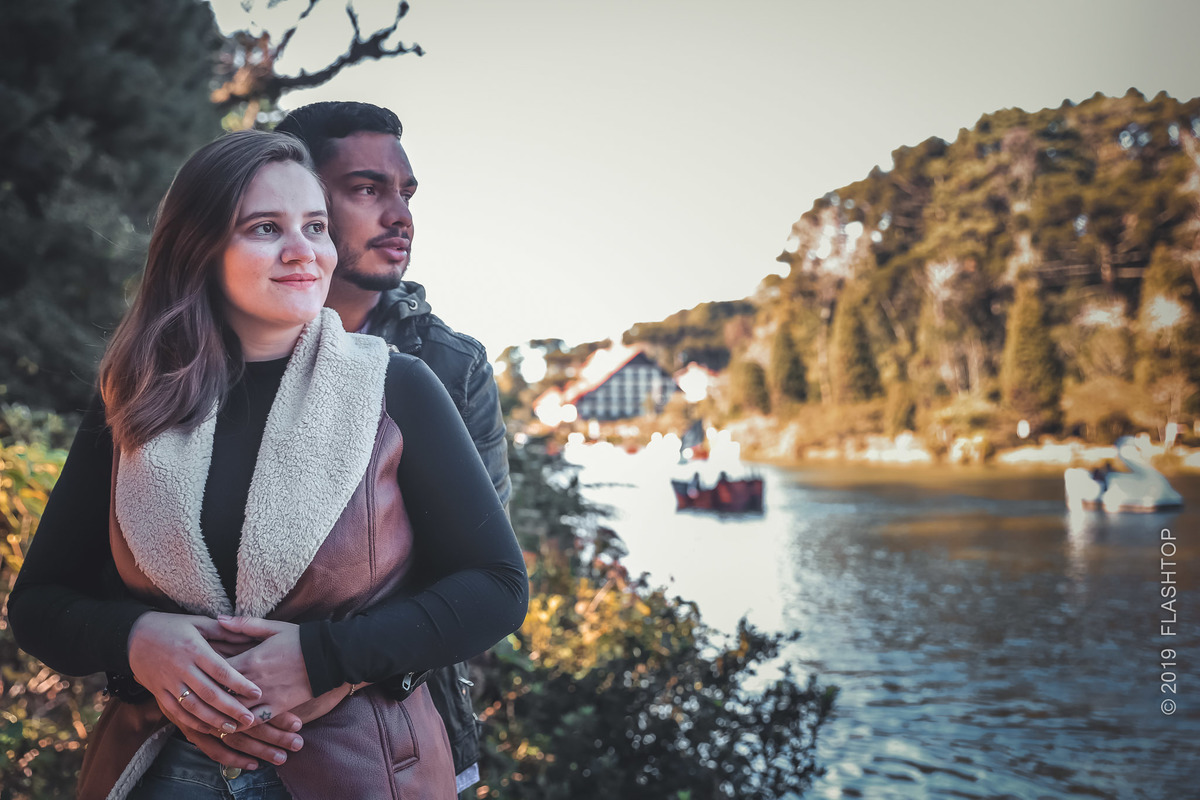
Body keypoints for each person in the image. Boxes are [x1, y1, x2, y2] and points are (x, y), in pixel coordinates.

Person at [7, 130, 528, 800]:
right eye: (264, 227)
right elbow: (40, 605)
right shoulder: (131, 401)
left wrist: (324, 659)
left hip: (359, 773)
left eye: (315, 226)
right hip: (158, 773)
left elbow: (495, 586)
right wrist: (137, 638)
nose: (303, 251)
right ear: (199, 247)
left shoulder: (397, 388)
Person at [274, 101, 510, 793]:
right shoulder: (208, 356)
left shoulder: (449, 366)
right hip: (219, 733)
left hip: (409, 740)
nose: (400, 216)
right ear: (296, 201)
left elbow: (480, 585)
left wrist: (331, 666)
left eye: (404, 193)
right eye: (366, 189)